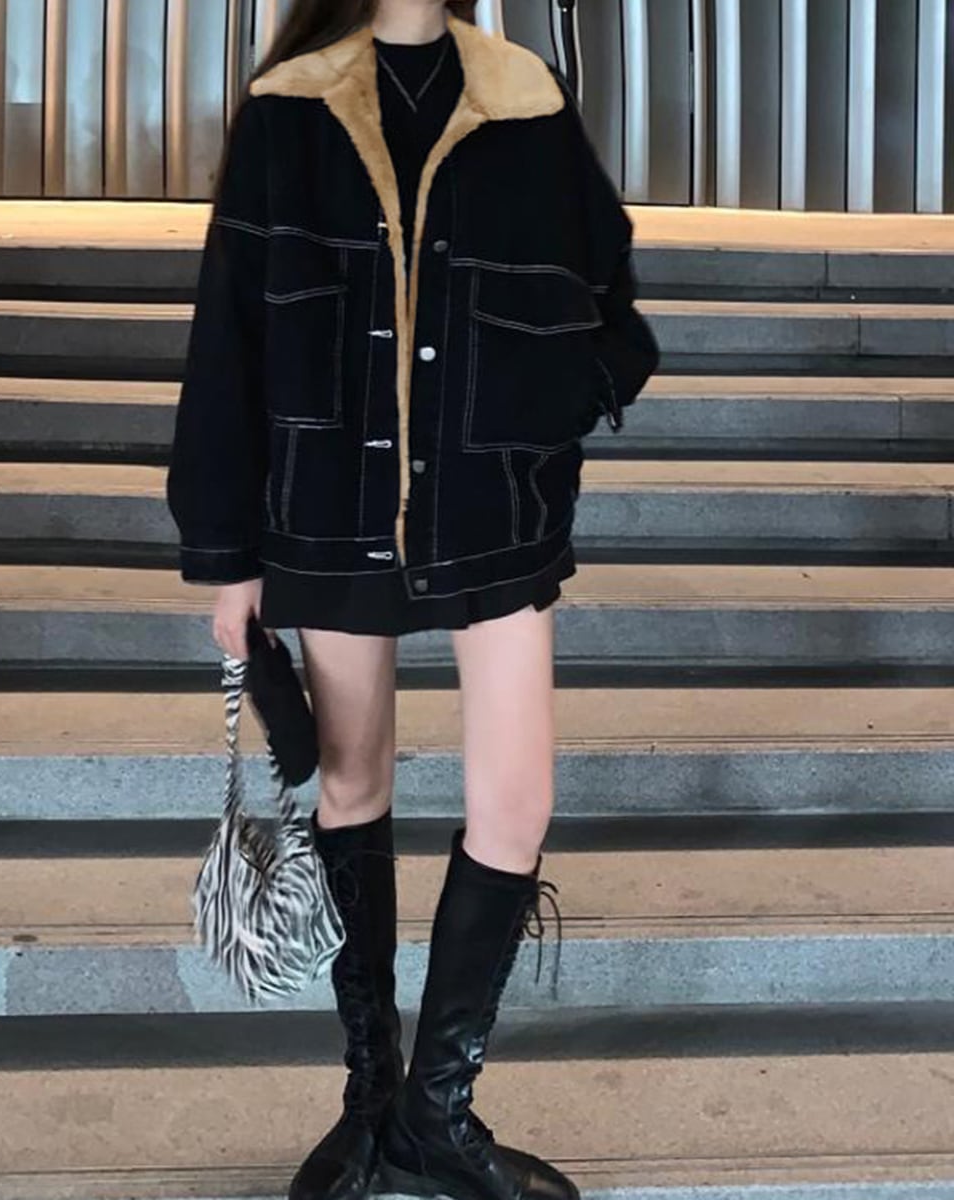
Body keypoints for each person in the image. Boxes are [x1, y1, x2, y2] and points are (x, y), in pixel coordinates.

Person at [166, 2, 659, 1200]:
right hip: (331, 502)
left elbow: (605, 279)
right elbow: (228, 336)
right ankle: (373, 1100)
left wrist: (561, 404)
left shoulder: (521, 96)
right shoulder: (292, 109)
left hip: (495, 508)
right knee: (352, 784)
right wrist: (227, 555)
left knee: (516, 800)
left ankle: (438, 1116)